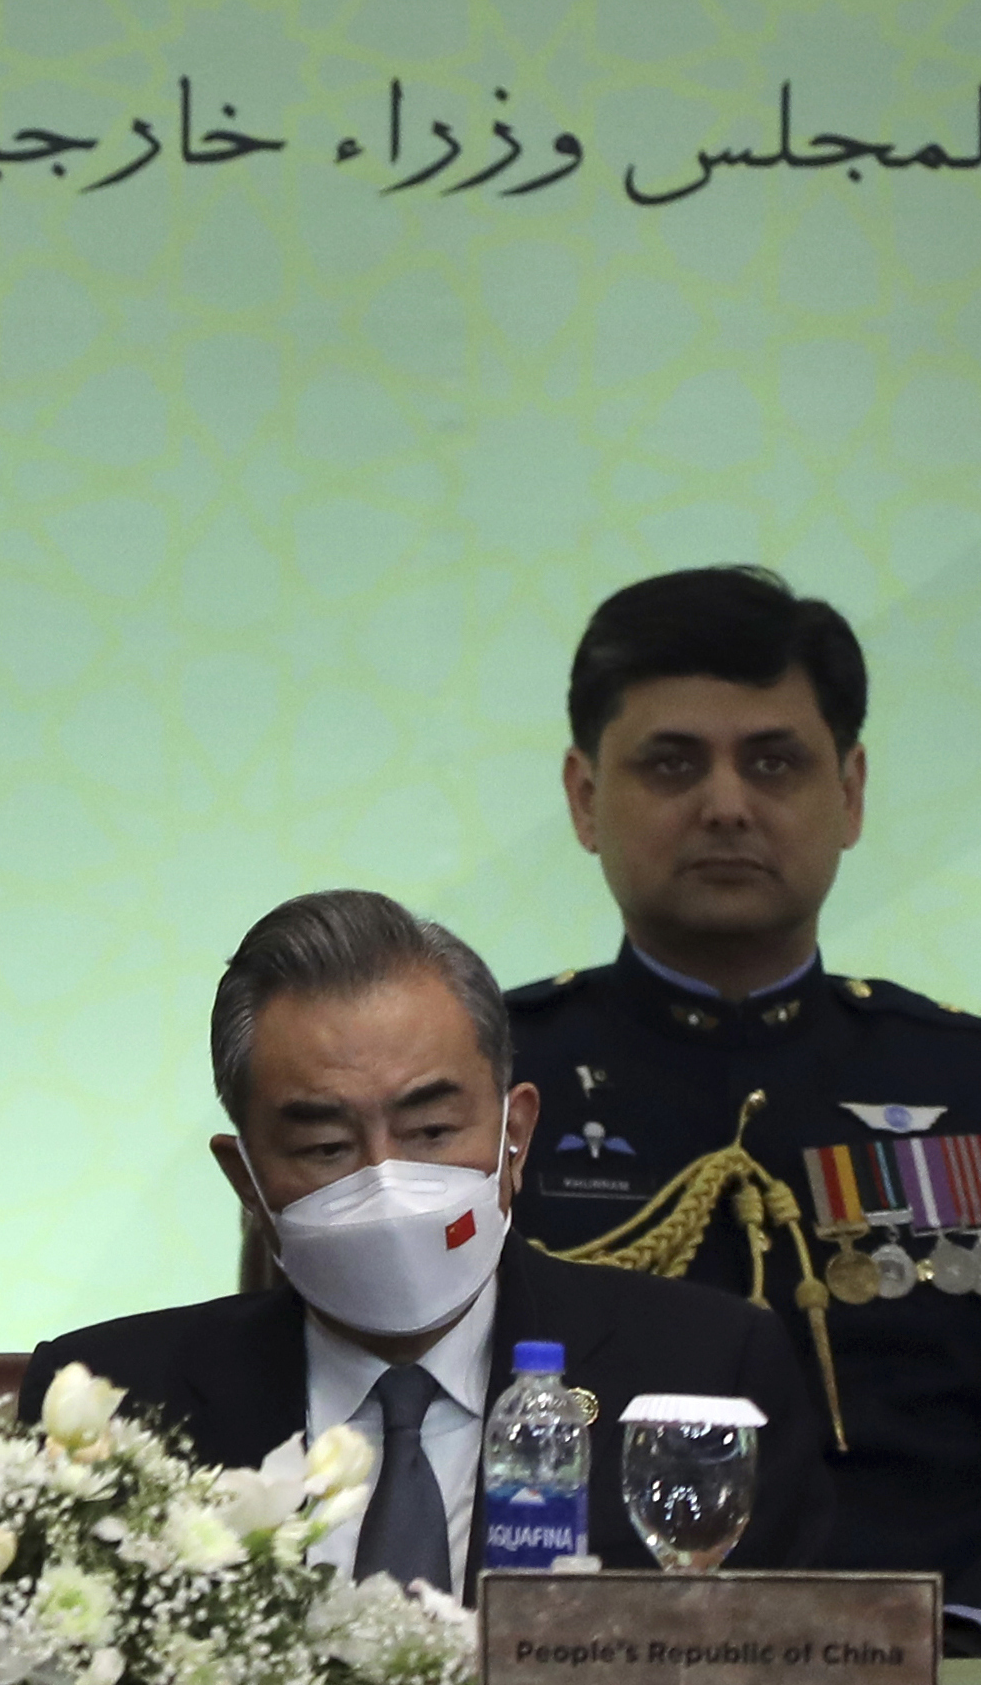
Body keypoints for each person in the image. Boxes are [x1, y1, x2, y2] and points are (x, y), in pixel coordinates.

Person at [27, 889, 830, 1583]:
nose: (386, 1181)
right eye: (324, 1147)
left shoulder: (709, 1372)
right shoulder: (106, 1400)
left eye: (433, 1129)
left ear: (515, 1138)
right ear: (247, 1183)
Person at [508, 566, 977, 1628]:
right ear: (585, 799)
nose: (725, 804)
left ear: (849, 793)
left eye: (773, 762)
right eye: (671, 764)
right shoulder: (484, 1088)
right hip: (572, 1656)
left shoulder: (961, 1086)